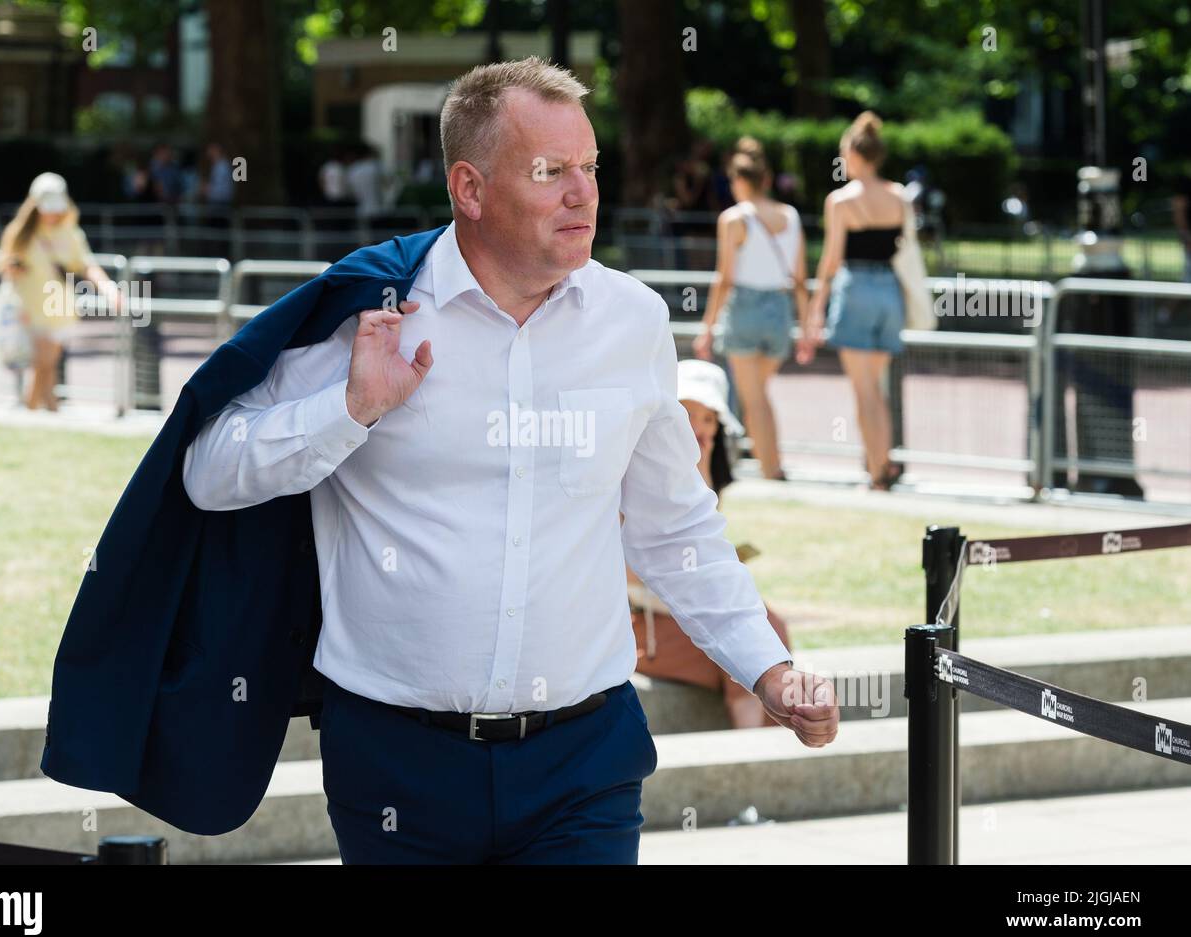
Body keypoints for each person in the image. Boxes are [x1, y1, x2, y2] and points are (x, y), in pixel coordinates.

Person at [177, 57, 838, 864]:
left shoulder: (632, 321)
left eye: (590, 167)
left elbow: (674, 524)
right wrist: (348, 410)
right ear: (470, 189)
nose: (583, 192)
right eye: (549, 170)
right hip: (398, 764)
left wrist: (768, 667)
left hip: (583, 765)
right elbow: (209, 470)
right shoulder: (373, 314)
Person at [625, 360, 793, 728]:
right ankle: (750, 754)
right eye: (690, 414)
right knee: (753, 646)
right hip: (641, 627)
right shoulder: (640, 475)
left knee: (764, 632)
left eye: (709, 419)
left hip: (675, 619)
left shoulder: (703, 476)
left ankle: (752, 752)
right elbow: (629, 576)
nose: (700, 429)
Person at [800, 111, 906, 490]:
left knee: (863, 391)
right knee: (877, 388)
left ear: (856, 155)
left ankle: (876, 471)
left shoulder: (841, 200)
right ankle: (883, 463)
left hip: (857, 289)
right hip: (889, 292)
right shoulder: (899, 195)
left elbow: (831, 261)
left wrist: (815, 308)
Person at [694, 151, 807, 481]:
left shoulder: (733, 219)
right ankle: (771, 462)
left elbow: (725, 277)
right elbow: (799, 277)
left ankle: (770, 469)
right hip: (779, 310)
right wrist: (806, 325)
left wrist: (708, 325)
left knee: (752, 396)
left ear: (740, 181)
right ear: (767, 180)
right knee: (760, 393)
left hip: (745, 307)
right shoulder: (790, 215)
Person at [0, 172, 117, 411]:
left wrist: (108, 289)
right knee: (44, 361)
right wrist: (15, 268)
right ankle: (32, 410)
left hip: (60, 309)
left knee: (48, 364)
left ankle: (48, 408)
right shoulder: (20, 233)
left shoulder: (70, 232)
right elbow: (5, 266)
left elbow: (86, 265)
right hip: (29, 308)